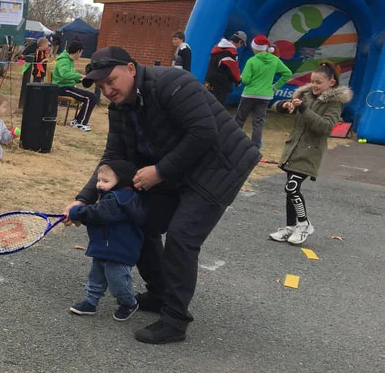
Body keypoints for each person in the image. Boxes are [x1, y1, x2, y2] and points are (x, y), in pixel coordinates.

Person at [63, 46, 260, 344]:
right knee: (140, 219)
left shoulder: (172, 83)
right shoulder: (120, 108)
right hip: (177, 167)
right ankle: (159, 293)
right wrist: (83, 199)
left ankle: (175, 320)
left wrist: (160, 171)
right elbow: (113, 155)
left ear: (131, 69)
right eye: (101, 86)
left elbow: (204, 132)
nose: (108, 90)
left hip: (220, 165)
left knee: (182, 236)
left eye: (111, 80)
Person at [268, 62, 349, 246]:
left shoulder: (334, 103)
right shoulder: (304, 95)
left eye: (319, 82)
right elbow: (276, 107)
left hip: (311, 152)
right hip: (294, 148)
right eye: (312, 81)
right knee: (290, 189)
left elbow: (325, 127)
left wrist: (304, 109)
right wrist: (285, 105)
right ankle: (290, 226)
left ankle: (304, 224)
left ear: (331, 82)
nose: (314, 85)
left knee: (292, 187)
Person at [67, 160, 146, 321]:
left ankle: (129, 302)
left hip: (119, 250)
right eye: (98, 180)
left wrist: (77, 211)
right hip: (104, 247)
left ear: (121, 181)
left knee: (118, 281)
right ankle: (91, 301)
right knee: (96, 275)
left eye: (106, 181)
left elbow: (99, 214)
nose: (99, 185)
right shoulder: (111, 196)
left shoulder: (121, 199)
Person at [236, 34, 293, 148]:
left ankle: (233, 141)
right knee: (258, 121)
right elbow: (288, 74)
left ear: (254, 48)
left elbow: (246, 80)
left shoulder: (251, 61)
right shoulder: (275, 60)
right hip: (265, 96)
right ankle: (256, 145)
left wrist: (242, 77)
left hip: (249, 94)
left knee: (240, 119)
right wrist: (275, 86)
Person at [52, 40, 99, 131]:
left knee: (92, 97)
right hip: (62, 88)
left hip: (68, 87)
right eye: (81, 52)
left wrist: (81, 79)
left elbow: (70, 76)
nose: (81, 54)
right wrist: (80, 75)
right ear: (78, 51)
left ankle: (77, 121)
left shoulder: (70, 61)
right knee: (90, 98)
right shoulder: (64, 61)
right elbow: (64, 74)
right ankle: (79, 122)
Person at [205, 30, 246, 107]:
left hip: (209, 80)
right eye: (242, 44)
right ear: (240, 41)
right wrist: (238, 81)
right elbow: (233, 70)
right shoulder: (231, 53)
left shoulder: (217, 48)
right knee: (217, 107)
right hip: (221, 84)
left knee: (206, 103)